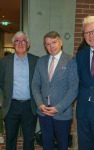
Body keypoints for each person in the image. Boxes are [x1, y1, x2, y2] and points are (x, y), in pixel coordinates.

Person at [32, 31, 79, 150]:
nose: (51, 46)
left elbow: (74, 88)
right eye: (47, 44)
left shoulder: (71, 61)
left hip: (62, 114)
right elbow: (35, 85)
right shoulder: (41, 61)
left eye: (54, 42)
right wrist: (40, 104)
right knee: (47, 145)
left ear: (61, 42)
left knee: (62, 146)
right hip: (44, 112)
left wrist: (58, 107)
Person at [0, 31, 38, 150]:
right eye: (17, 41)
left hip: (30, 106)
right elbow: (0, 81)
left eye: (23, 41)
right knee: (10, 138)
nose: (20, 43)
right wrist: (4, 100)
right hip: (11, 106)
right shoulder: (5, 61)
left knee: (29, 138)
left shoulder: (35, 60)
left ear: (28, 44)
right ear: (13, 44)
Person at [76, 15, 94, 150]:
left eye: (93, 31)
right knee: (85, 145)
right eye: (87, 32)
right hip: (83, 109)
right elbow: (77, 82)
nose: (90, 35)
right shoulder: (81, 54)